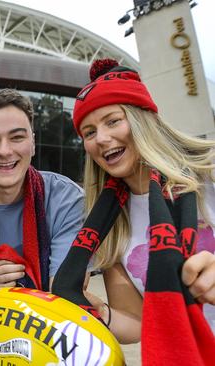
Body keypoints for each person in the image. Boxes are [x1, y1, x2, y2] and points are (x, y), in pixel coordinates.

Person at [53, 58, 215, 345]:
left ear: (141, 120)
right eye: (89, 132)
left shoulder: (208, 173)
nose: (101, 138)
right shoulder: (107, 221)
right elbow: (137, 322)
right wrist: (91, 307)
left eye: (113, 121)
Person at [0, 89, 84, 291]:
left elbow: (67, 290)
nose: (4, 151)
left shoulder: (67, 199)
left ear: (33, 143)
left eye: (17, 137)